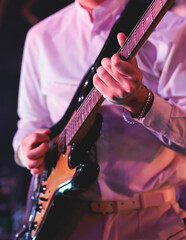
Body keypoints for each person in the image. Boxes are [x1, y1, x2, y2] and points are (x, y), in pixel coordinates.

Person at [13, 0, 186, 239]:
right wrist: (25, 151)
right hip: (66, 220)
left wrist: (141, 102)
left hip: (154, 222)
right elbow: (31, 121)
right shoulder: (41, 36)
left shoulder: (175, 28)